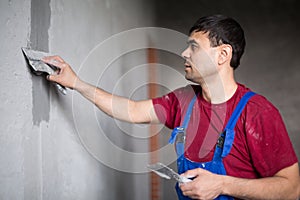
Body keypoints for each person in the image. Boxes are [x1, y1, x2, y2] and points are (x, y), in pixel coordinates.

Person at [42, 15, 299, 200]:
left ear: (223, 55)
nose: (185, 53)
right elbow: (132, 111)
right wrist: (76, 83)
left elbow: (291, 189)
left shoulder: (256, 113)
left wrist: (222, 185)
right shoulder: (183, 101)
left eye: (194, 47)